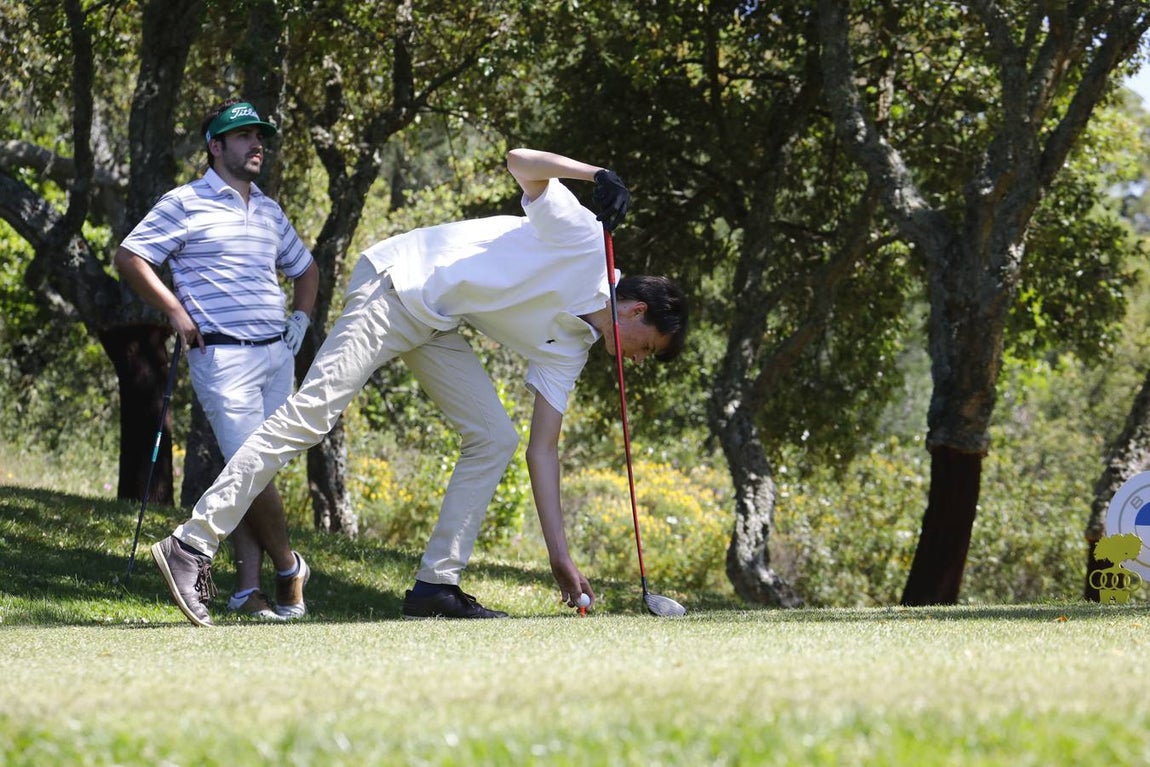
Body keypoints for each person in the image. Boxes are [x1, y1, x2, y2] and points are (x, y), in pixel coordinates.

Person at [149, 148, 688, 624]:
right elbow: (520, 161)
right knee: (310, 417)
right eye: (648, 346)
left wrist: (559, 558)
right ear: (637, 311)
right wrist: (597, 175)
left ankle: (436, 586)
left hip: (434, 320)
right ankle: (190, 543)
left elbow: (541, 450)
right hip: (395, 286)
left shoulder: (574, 348)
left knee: (493, 436)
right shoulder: (587, 241)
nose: (639, 359)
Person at [115, 98, 319, 625]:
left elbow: (306, 269)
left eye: (260, 137)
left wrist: (299, 321)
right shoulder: (184, 202)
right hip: (222, 357)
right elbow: (131, 256)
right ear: (215, 146)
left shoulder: (269, 210)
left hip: (277, 355)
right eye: (244, 136)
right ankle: (289, 565)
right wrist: (176, 311)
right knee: (252, 468)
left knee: (252, 471)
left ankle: (247, 592)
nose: (257, 145)